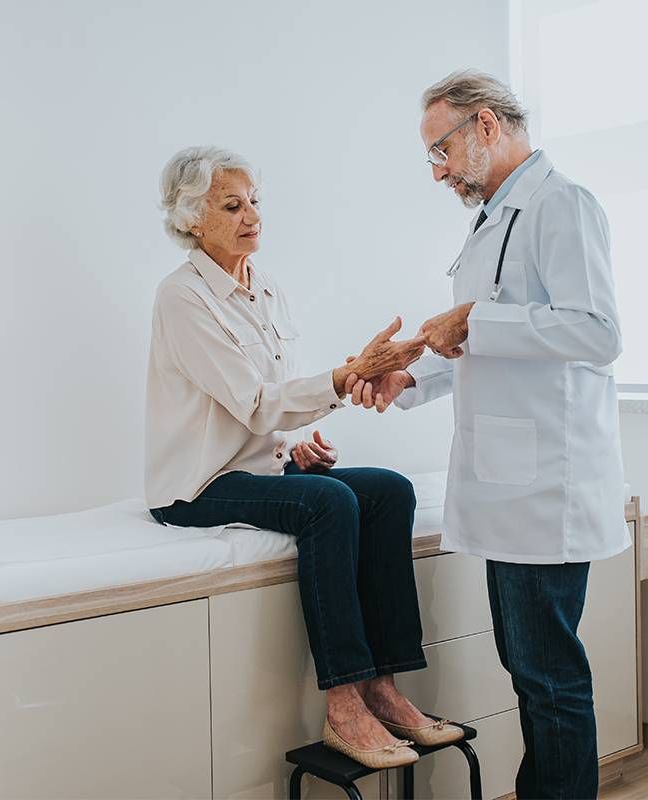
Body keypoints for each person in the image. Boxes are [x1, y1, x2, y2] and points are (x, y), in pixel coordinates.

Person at [346, 71, 628, 798]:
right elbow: (484, 349)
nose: (438, 171)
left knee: (550, 680)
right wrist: (411, 377)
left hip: (546, 489)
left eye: (441, 150)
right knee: (531, 673)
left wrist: (474, 318)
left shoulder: (561, 204)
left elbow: (596, 335)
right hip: (511, 488)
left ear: (486, 126)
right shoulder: (491, 220)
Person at [145, 146, 464, 769]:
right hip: (197, 484)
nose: (251, 216)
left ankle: (384, 686)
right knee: (330, 504)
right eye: (232, 206)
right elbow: (256, 403)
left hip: (260, 467)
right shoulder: (181, 298)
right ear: (191, 220)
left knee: (390, 490)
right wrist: (347, 377)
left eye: (254, 202)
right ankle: (344, 701)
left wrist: (297, 445)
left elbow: (273, 415)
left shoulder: (266, 290)